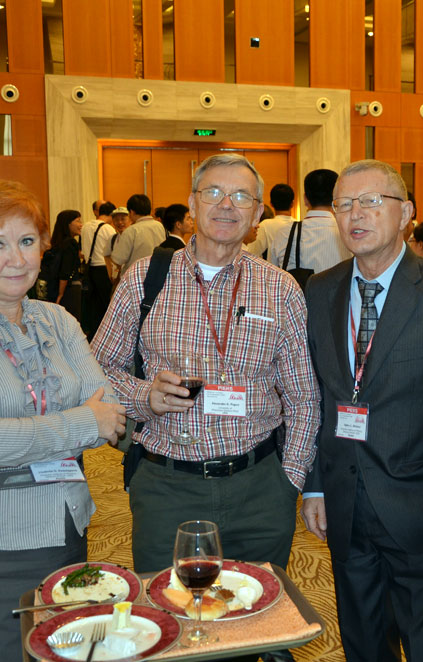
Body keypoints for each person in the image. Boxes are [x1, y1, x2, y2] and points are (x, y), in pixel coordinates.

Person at [0, 179, 126, 662]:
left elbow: (111, 414)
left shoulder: (59, 320)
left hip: (69, 534)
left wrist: (9, 445)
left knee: (73, 655)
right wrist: (81, 423)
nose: (17, 258)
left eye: (27, 241)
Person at [92, 154, 319, 582]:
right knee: (170, 609)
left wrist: (289, 478)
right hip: (167, 487)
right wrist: (145, 396)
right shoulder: (144, 279)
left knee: (257, 608)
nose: (227, 205)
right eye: (213, 192)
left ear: (257, 212)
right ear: (192, 204)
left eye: (241, 196)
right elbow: (97, 373)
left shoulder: (280, 288)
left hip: (260, 489)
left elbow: (303, 395)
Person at [301, 159, 423, 662]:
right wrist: (315, 485)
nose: (355, 214)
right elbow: (315, 396)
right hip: (343, 501)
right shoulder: (320, 290)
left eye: (370, 201)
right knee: (362, 642)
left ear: (405, 213)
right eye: (344, 204)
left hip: (421, 506)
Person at [266, 169, 351, 274]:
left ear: (305, 199)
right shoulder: (349, 232)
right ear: (336, 199)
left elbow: (271, 274)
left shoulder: (284, 233)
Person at [80, 201, 117, 338]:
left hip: (89, 269)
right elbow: (112, 252)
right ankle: (106, 335)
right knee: (106, 304)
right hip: (103, 269)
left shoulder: (85, 227)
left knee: (93, 305)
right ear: (111, 215)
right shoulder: (108, 229)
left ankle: (93, 335)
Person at [39, 209, 83, 322]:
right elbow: (65, 272)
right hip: (68, 290)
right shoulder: (70, 243)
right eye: (78, 221)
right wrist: (60, 294)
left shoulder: (56, 244)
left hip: (53, 288)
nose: (81, 225)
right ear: (68, 224)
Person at [110, 194, 166, 280]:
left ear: (132, 212)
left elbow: (118, 259)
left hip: (136, 277)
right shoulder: (159, 226)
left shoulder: (131, 230)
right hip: (156, 274)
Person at [245, 183, 295, 259]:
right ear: (292, 204)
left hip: (271, 266)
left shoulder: (265, 225)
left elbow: (252, 253)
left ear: (271, 203)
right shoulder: (299, 225)